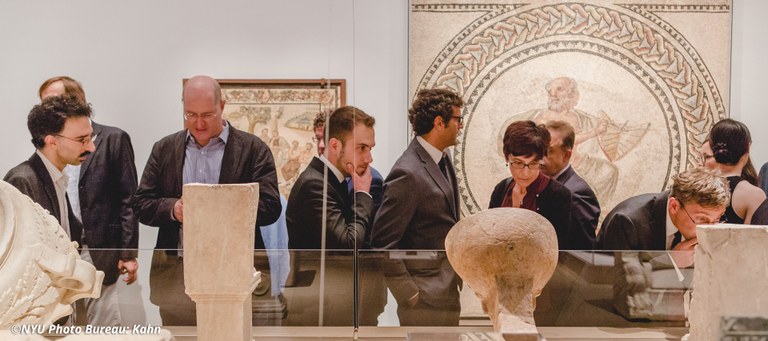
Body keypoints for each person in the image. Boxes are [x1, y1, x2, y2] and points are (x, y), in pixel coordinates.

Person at [132, 75, 281, 325]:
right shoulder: (164, 149)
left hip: (234, 274)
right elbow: (141, 204)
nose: (198, 123)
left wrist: (220, 208)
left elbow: (271, 208)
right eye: (190, 115)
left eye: (207, 115)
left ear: (222, 106)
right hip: (176, 276)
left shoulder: (253, 149)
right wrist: (173, 209)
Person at [38, 76, 139, 326]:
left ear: (76, 101)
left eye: (54, 101)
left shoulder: (113, 138)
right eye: (43, 104)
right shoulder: (47, 144)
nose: (46, 110)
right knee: (61, 319)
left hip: (100, 247)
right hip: (59, 249)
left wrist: (128, 253)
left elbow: (128, 198)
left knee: (103, 323)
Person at [371, 88, 464, 326]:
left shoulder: (442, 158)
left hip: (446, 289)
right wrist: (410, 295)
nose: (461, 126)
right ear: (439, 122)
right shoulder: (407, 172)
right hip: (424, 299)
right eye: (458, 119)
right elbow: (383, 242)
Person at [4, 95, 94, 248]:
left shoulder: (57, 176)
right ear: (51, 141)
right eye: (82, 140)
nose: (91, 147)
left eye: (91, 138)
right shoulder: (22, 180)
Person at [286, 106, 376, 249]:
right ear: (335, 146)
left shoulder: (330, 180)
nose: (369, 158)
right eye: (362, 148)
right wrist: (362, 194)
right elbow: (348, 246)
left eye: (370, 149)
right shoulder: (314, 185)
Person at [597, 167, 729, 263]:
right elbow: (619, 283)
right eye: (701, 219)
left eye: (717, 219)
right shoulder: (627, 221)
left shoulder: (704, 226)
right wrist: (670, 262)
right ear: (674, 206)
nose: (709, 228)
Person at [488, 120, 575, 250]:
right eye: (517, 163)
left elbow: (558, 251)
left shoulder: (558, 195)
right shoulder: (501, 189)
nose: (525, 173)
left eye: (534, 163)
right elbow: (489, 236)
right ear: (507, 158)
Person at [312, 110, 385, 239]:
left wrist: (362, 194)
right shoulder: (318, 180)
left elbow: (371, 238)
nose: (322, 145)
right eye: (318, 139)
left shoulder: (372, 180)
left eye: (326, 139)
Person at [541, 120, 599, 249]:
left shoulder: (577, 194)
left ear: (566, 155)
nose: (540, 158)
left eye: (548, 151)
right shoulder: (543, 183)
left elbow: (582, 251)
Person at [707, 119, 765, 224]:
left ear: (711, 147)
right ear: (748, 147)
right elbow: (755, 239)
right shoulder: (753, 195)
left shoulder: (695, 188)